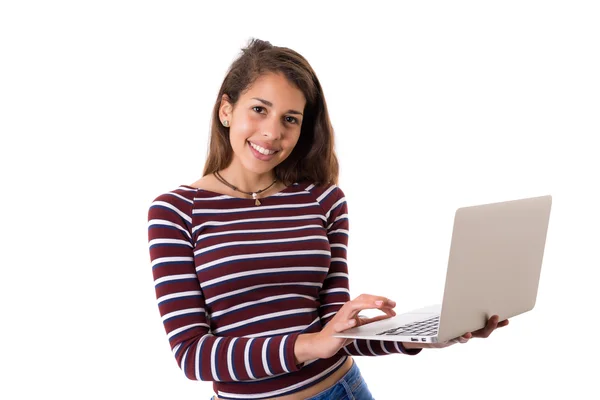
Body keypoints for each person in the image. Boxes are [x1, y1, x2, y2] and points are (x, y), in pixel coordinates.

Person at [147, 38, 508, 400]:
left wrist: (418, 337)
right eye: (259, 109)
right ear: (226, 110)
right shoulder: (176, 211)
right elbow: (193, 355)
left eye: (290, 119)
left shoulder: (322, 199)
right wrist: (310, 345)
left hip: (342, 390)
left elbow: (336, 335)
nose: (272, 132)